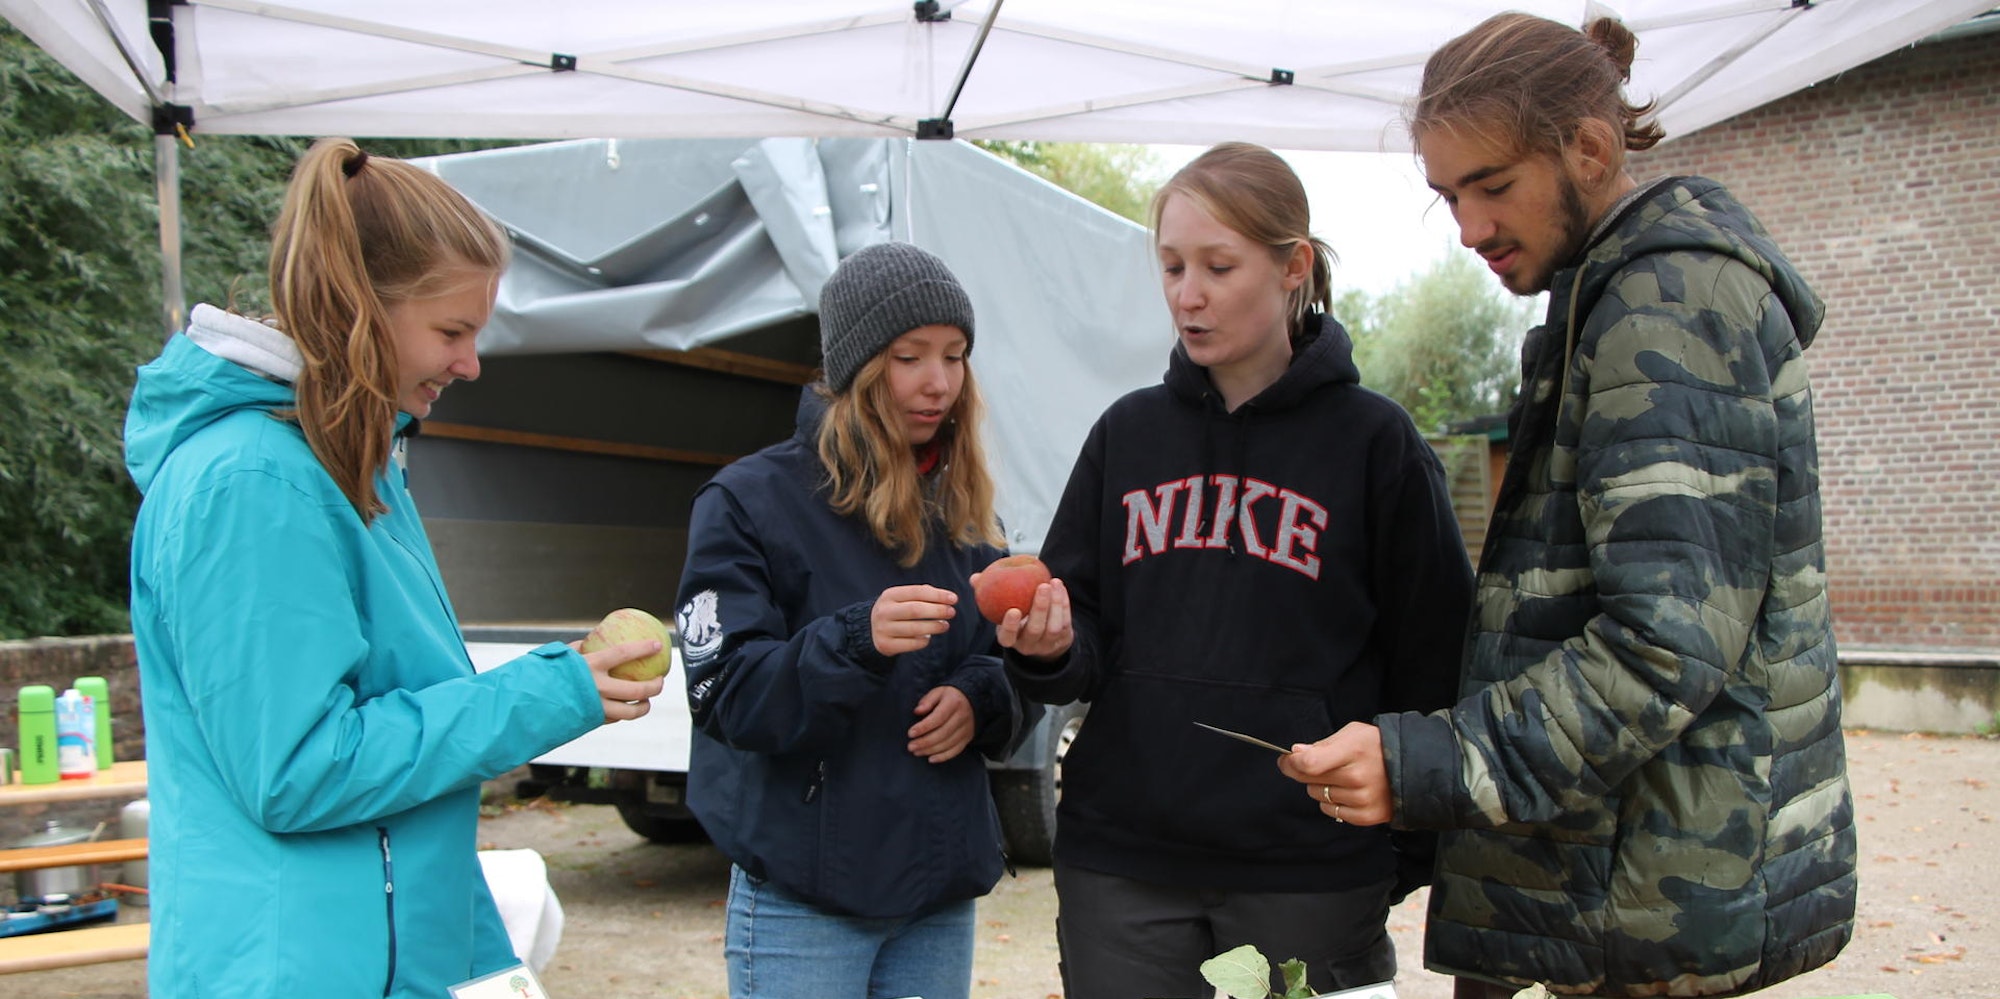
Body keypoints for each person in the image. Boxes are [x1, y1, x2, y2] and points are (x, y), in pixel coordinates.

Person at [1278, 13, 1858, 999]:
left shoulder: (1666, 303)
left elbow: (1664, 644)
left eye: (1491, 185)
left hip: (1645, 910)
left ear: (1588, 148)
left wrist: (1438, 761)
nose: (1466, 228)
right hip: (1605, 892)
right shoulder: (1601, 294)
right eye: (1445, 195)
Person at [123, 138, 668, 998]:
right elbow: (299, 769)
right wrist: (542, 695)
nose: (470, 363)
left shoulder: (351, 466)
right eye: (451, 330)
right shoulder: (252, 484)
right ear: (354, 309)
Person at [999, 142, 1475, 999]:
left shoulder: (1377, 444)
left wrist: (1396, 847)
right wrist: (1047, 648)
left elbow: (1435, 657)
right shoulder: (1127, 435)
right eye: (1173, 265)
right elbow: (1085, 633)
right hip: (1124, 865)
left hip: (1310, 870)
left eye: (1219, 266)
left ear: (1294, 266)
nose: (1188, 293)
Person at [674, 241, 1033, 999]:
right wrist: (852, 639)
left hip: (937, 894)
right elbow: (726, 696)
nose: (940, 382)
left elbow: (1006, 664)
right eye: (910, 356)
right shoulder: (746, 501)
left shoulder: (967, 508)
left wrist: (981, 698)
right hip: (805, 897)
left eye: (955, 354)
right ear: (858, 366)